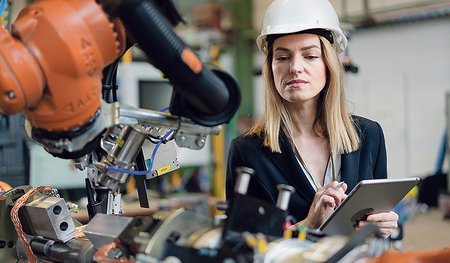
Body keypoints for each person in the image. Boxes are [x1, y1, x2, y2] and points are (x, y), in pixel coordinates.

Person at [225, 0, 398, 239]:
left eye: (310, 56)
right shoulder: (248, 152)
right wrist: (308, 225)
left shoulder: (369, 136)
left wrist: (385, 228)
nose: (296, 67)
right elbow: (241, 246)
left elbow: (377, 224)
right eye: (283, 58)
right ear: (270, 68)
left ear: (328, 64)